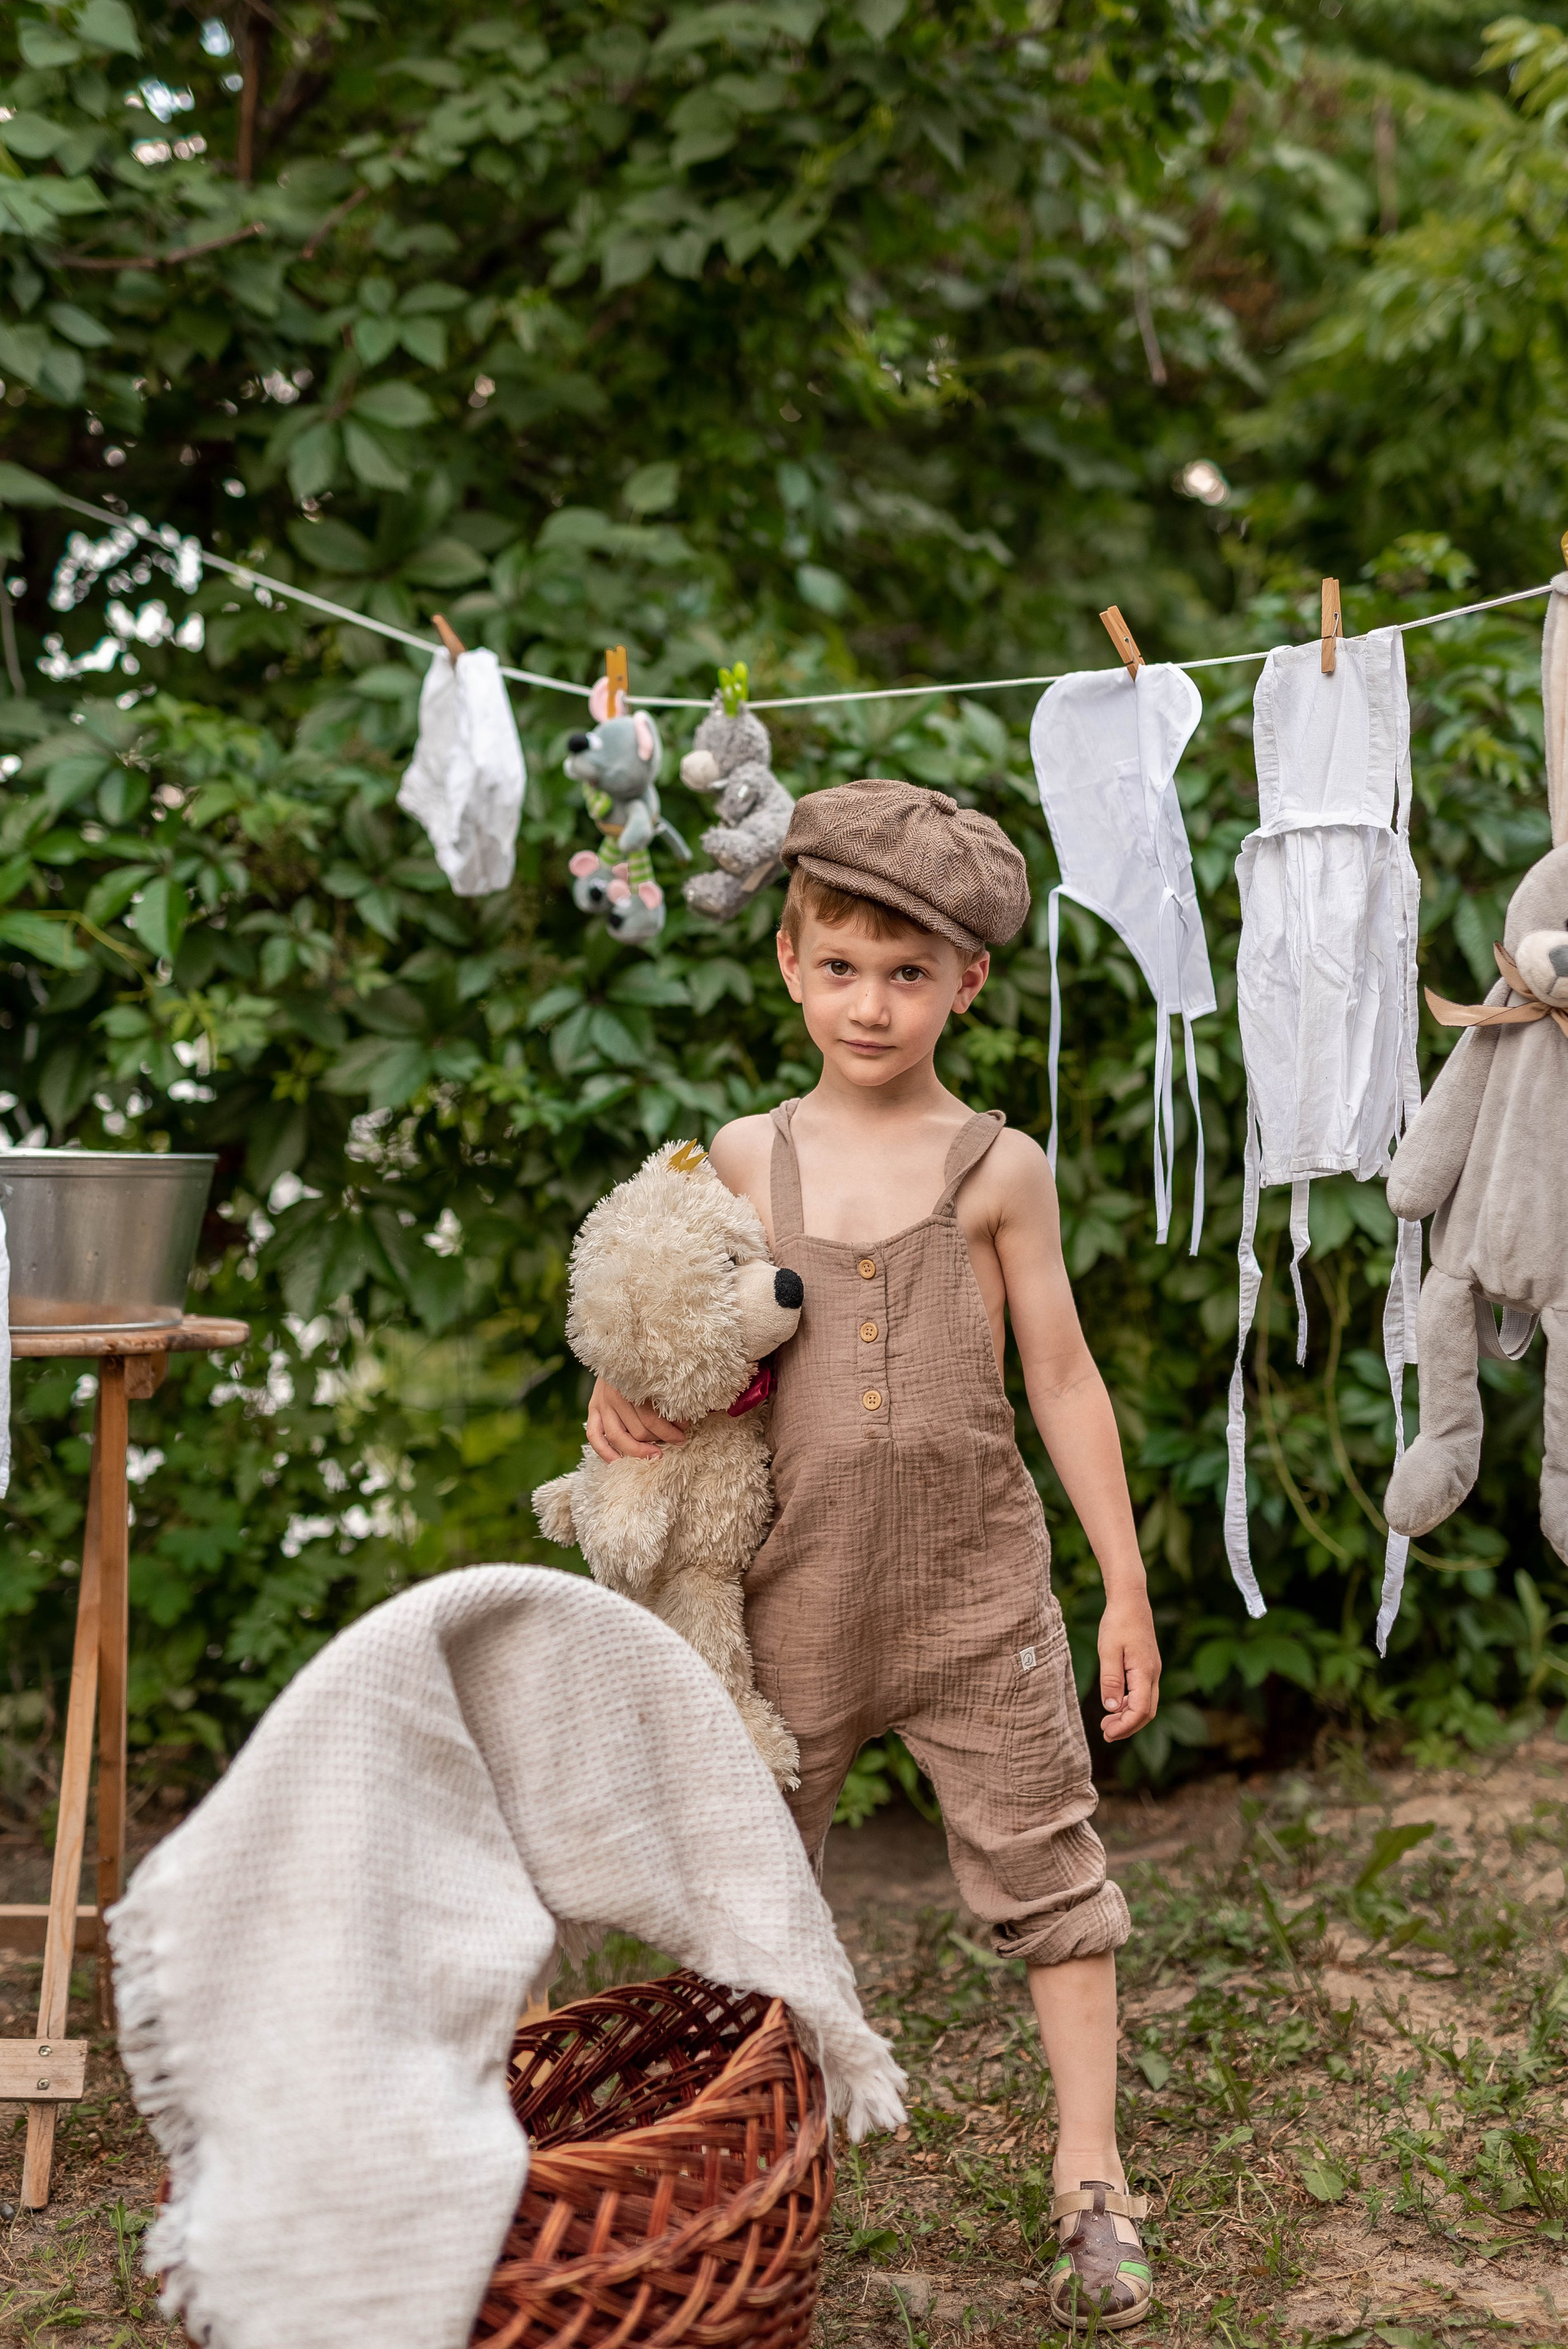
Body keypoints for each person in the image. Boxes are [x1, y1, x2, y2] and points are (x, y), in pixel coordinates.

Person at [583, 777, 1163, 2331]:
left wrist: (1120, 1582)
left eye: (908, 974)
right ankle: (737, 2178)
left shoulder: (998, 1169)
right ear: (787, 962)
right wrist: (615, 1384)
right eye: (839, 966)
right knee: (750, 1882)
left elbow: (1061, 1377)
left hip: (978, 1592)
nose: (869, 1002)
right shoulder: (745, 1157)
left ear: (965, 984)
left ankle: (1092, 2178)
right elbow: (669, 1327)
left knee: (1051, 1874)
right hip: (793, 1598)